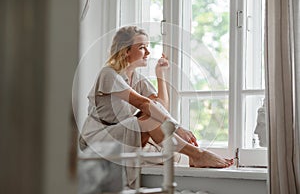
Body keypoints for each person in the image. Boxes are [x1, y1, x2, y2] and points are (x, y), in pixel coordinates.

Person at [79, 26, 233, 187]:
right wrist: (177, 127)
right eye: (142, 47)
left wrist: (160, 74)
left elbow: (160, 105)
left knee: (158, 131)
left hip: (120, 133)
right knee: (148, 119)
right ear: (126, 51)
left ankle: (195, 156)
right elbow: (143, 104)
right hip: (97, 138)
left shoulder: (136, 78)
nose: (148, 52)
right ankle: (198, 154)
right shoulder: (108, 74)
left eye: (147, 47)